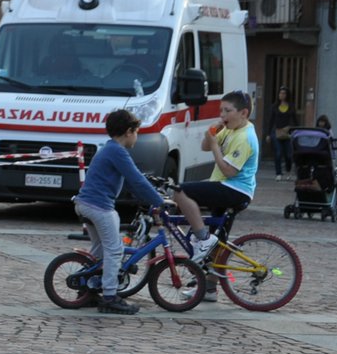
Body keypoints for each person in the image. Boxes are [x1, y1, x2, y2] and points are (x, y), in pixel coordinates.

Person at [73, 109, 166, 315]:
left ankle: (85, 288)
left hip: (86, 203)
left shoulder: (110, 148)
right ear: (128, 131)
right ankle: (110, 296)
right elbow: (136, 179)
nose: (137, 136)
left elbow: (133, 179)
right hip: (99, 206)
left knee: (99, 247)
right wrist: (160, 201)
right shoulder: (118, 151)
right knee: (115, 250)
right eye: (136, 132)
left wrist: (146, 188)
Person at [173, 89, 258, 265]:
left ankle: (202, 238)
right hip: (225, 186)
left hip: (235, 189)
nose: (222, 114)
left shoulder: (245, 137)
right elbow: (205, 146)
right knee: (217, 243)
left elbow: (229, 171)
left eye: (227, 111)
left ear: (243, 113)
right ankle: (209, 288)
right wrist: (210, 135)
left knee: (180, 190)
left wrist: (214, 146)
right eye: (221, 110)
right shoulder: (231, 129)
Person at [269, 87, 296, 179]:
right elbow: (271, 120)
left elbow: (295, 120)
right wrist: (268, 134)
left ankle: (288, 169)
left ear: (287, 95)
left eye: (284, 93)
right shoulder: (274, 106)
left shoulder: (291, 106)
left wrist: (295, 131)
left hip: (287, 133)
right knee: (278, 153)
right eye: (280, 93)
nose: (282, 95)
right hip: (276, 132)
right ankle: (278, 173)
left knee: (289, 155)